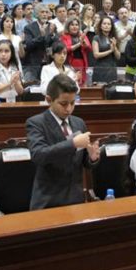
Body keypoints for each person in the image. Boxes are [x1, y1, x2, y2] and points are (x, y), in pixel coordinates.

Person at [26, 74, 100, 210]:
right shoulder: (36, 123)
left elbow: (84, 162)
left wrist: (92, 158)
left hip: (75, 200)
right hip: (48, 201)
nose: (69, 108)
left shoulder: (79, 123)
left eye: (73, 103)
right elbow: (39, 155)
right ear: (49, 100)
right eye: (63, 104)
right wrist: (72, 144)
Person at [23, 5, 58, 81]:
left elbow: (57, 44)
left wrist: (52, 35)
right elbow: (29, 45)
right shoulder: (29, 27)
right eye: (42, 12)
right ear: (36, 14)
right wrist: (41, 36)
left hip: (49, 63)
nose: (45, 14)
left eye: (46, 12)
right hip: (33, 65)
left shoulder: (52, 26)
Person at [60, 17, 91, 85]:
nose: (75, 27)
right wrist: (79, 44)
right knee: (70, 83)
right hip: (69, 63)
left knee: (81, 83)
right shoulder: (64, 36)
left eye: (76, 25)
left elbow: (89, 48)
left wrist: (85, 44)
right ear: (68, 26)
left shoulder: (82, 35)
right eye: (72, 25)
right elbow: (65, 49)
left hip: (82, 63)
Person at [92, 15, 120, 84]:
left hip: (111, 69)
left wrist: (115, 47)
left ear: (111, 26)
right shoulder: (96, 38)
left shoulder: (114, 38)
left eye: (108, 24)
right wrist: (110, 50)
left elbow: (118, 57)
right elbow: (96, 55)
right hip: (100, 68)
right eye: (104, 24)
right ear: (100, 26)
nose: (106, 25)